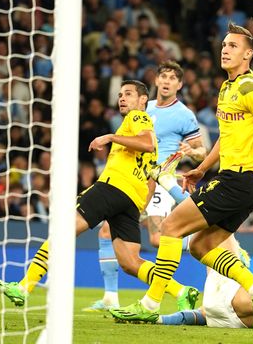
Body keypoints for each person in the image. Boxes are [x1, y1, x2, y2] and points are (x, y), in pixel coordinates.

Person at [110, 23, 253, 329]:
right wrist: (204, 166)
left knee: (170, 227)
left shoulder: (252, 89)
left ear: (247, 54)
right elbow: (226, 136)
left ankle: (150, 305)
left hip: (242, 179)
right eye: (223, 44)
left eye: (232, 46)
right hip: (241, 182)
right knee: (200, 247)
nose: (225, 49)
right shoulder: (227, 88)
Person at [0, 81, 198, 310]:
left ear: (143, 100)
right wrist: (141, 206)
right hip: (131, 199)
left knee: (63, 231)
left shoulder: (137, 118)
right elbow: (151, 175)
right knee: (131, 262)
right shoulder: (135, 127)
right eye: (120, 94)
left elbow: (147, 144)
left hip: (112, 187)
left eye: (129, 94)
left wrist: (110, 137)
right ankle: (180, 291)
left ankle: (24, 287)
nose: (122, 98)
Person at [88, 61, 207, 312]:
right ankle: (110, 296)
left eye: (172, 78)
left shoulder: (184, 114)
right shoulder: (145, 107)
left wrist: (191, 152)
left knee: (156, 238)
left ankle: (203, 241)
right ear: (155, 81)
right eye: (162, 76)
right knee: (106, 232)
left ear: (180, 85)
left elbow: (202, 150)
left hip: (160, 181)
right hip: (134, 181)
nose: (166, 81)